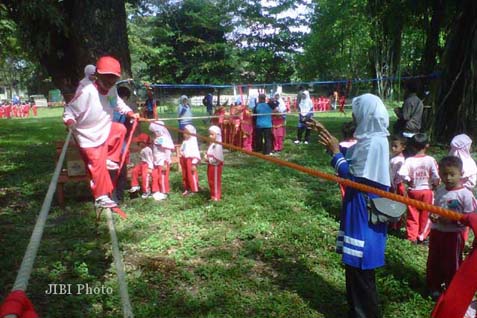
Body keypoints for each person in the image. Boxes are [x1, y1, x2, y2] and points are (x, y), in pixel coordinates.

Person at [317, 93, 391, 318]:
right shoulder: (372, 140)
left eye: (356, 115)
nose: (354, 118)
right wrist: (333, 145)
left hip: (362, 208)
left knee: (361, 266)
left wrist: (335, 154)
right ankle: (357, 309)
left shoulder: (372, 143)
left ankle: (364, 313)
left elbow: (353, 177)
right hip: (360, 204)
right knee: (356, 269)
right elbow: (353, 162)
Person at [63, 56, 138, 208]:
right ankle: (101, 196)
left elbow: (117, 103)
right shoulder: (87, 92)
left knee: (120, 129)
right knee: (97, 163)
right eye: (107, 76)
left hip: (104, 128)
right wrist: (70, 121)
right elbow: (69, 109)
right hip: (87, 134)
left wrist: (130, 113)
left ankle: (111, 158)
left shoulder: (111, 90)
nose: (110, 80)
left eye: (114, 77)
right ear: (98, 75)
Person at [427, 156, 477, 300]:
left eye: (452, 174)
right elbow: (435, 209)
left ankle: (451, 288)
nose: (448, 178)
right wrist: (433, 216)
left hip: (453, 235)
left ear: (461, 173)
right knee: (434, 259)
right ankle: (434, 286)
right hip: (437, 232)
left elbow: (469, 218)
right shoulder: (440, 190)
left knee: (451, 262)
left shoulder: (465, 194)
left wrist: (452, 220)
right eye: (444, 174)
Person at [398, 133, 440, 243]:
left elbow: (402, 174)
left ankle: (412, 236)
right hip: (427, 191)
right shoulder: (431, 160)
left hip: (414, 191)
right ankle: (422, 236)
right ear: (427, 145)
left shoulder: (409, 160)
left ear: (412, 146)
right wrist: (435, 185)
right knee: (426, 214)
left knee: (412, 214)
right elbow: (436, 175)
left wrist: (409, 180)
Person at [149, 121, 175, 201]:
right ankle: (156, 190)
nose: (155, 133)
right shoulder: (158, 139)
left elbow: (167, 152)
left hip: (163, 161)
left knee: (162, 177)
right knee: (155, 176)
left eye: (156, 132)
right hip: (157, 161)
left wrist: (165, 162)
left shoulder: (164, 139)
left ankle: (164, 191)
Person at [389, 134, 407, 230]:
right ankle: (393, 223)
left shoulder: (400, 161)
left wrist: (395, 186)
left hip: (397, 185)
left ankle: (396, 225)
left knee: (398, 204)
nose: (393, 148)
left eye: (396, 146)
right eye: (392, 145)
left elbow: (399, 176)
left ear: (403, 147)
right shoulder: (393, 158)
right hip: (392, 184)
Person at [128, 133, 154, 199]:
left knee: (145, 176)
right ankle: (135, 185)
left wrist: (150, 168)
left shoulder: (147, 150)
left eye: (139, 142)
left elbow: (150, 159)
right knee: (134, 170)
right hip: (142, 163)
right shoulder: (143, 149)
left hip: (147, 164)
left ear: (144, 142)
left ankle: (147, 191)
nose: (138, 144)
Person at [180, 124, 201, 196]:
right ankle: (187, 188)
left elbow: (196, 154)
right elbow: (182, 149)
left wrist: (194, 163)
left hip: (190, 161)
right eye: (184, 132)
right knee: (185, 174)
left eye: (187, 133)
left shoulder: (193, 142)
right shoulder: (185, 142)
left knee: (191, 174)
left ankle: (194, 189)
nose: (184, 134)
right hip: (184, 160)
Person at [205, 125, 224, 201]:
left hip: (215, 167)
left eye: (212, 134)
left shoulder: (218, 146)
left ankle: (216, 197)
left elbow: (218, 159)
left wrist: (208, 159)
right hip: (211, 166)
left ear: (218, 135)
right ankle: (213, 195)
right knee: (211, 180)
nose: (210, 136)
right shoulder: (212, 144)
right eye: (209, 134)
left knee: (215, 181)